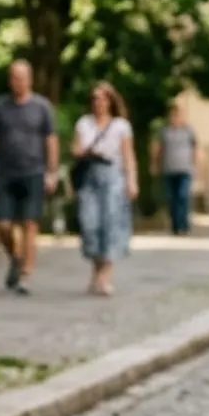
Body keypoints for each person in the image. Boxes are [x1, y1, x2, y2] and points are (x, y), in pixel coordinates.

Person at [0, 59, 59, 295]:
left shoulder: (42, 107)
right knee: (3, 226)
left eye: (22, 77)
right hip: (6, 173)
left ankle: (25, 276)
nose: (18, 82)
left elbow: (50, 140)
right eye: (14, 77)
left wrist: (52, 172)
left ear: (29, 79)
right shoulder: (0, 107)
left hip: (34, 171)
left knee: (30, 224)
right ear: (10, 80)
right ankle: (15, 257)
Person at [72, 82, 137, 296]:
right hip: (90, 174)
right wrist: (82, 150)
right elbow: (75, 148)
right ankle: (96, 270)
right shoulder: (84, 124)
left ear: (110, 101)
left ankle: (105, 276)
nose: (98, 102)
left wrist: (132, 181)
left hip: (112, 175)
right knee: (90, 224)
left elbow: (128, 156)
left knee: (110, 224)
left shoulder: (121, 126)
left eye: (102, 98)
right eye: (94, 98)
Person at [151, 103, 197, 236]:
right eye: (173, 116)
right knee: (171, 198)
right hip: (169, 169)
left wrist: (196, 165)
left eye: (178, 115)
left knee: (183, 196)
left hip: (185, 169)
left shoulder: (188, 130)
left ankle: (184, 225)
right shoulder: (165, 131)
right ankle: (175, 225)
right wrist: (155, 164)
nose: (175, 118)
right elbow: (158, 148)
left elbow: (195, 148)